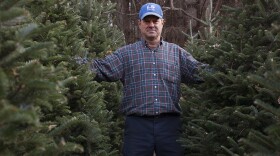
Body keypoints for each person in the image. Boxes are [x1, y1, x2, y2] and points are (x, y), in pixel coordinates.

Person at [76, 2, 208, 156]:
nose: (151, 25)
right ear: (139, 24)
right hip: (137, 127)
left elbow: (200, 72)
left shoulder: (176, 53)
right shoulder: (127, 54)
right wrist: (72, 62)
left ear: (162, 23)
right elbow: (101, 68)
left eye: (155, 20)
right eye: (147, 21)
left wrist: (227, 68)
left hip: (170, 126)